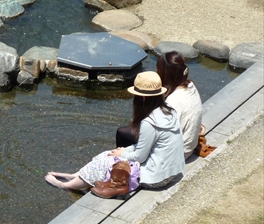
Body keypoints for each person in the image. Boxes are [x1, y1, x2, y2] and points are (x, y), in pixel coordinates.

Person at [46, 71, 185, 196]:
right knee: (109, 154)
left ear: (142, 98)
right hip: (171, 172)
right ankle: (76, 176)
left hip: (156, 178)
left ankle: (66, 186)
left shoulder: (149, 122)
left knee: (106, 161)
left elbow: (140, 157)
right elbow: (146, 145)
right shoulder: (169, 111)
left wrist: (122, 154)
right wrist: (124, 150)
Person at [116, 52, 203, 160]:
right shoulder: (190, 86)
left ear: (165, 73)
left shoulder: (172, 102)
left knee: (122, 133)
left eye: (159, 70)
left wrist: (124, 153)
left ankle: (126, 168)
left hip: (177, 154)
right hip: (188, 146)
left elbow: (157, 138)